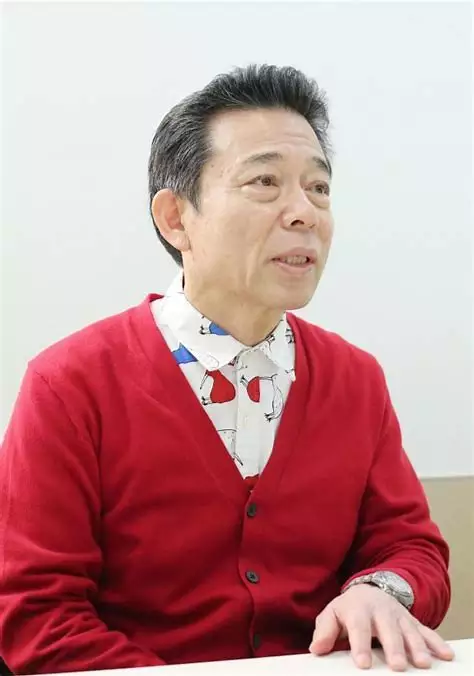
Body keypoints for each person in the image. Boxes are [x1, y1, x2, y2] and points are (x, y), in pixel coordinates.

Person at [0, 64, 454, 675]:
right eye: (264, 181)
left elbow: (411, 547)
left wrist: (382, 590)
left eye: (319, 188)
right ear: (175, 218)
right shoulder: (69, 385)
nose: (305, 213)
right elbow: (36, 613)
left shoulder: (356, 378)